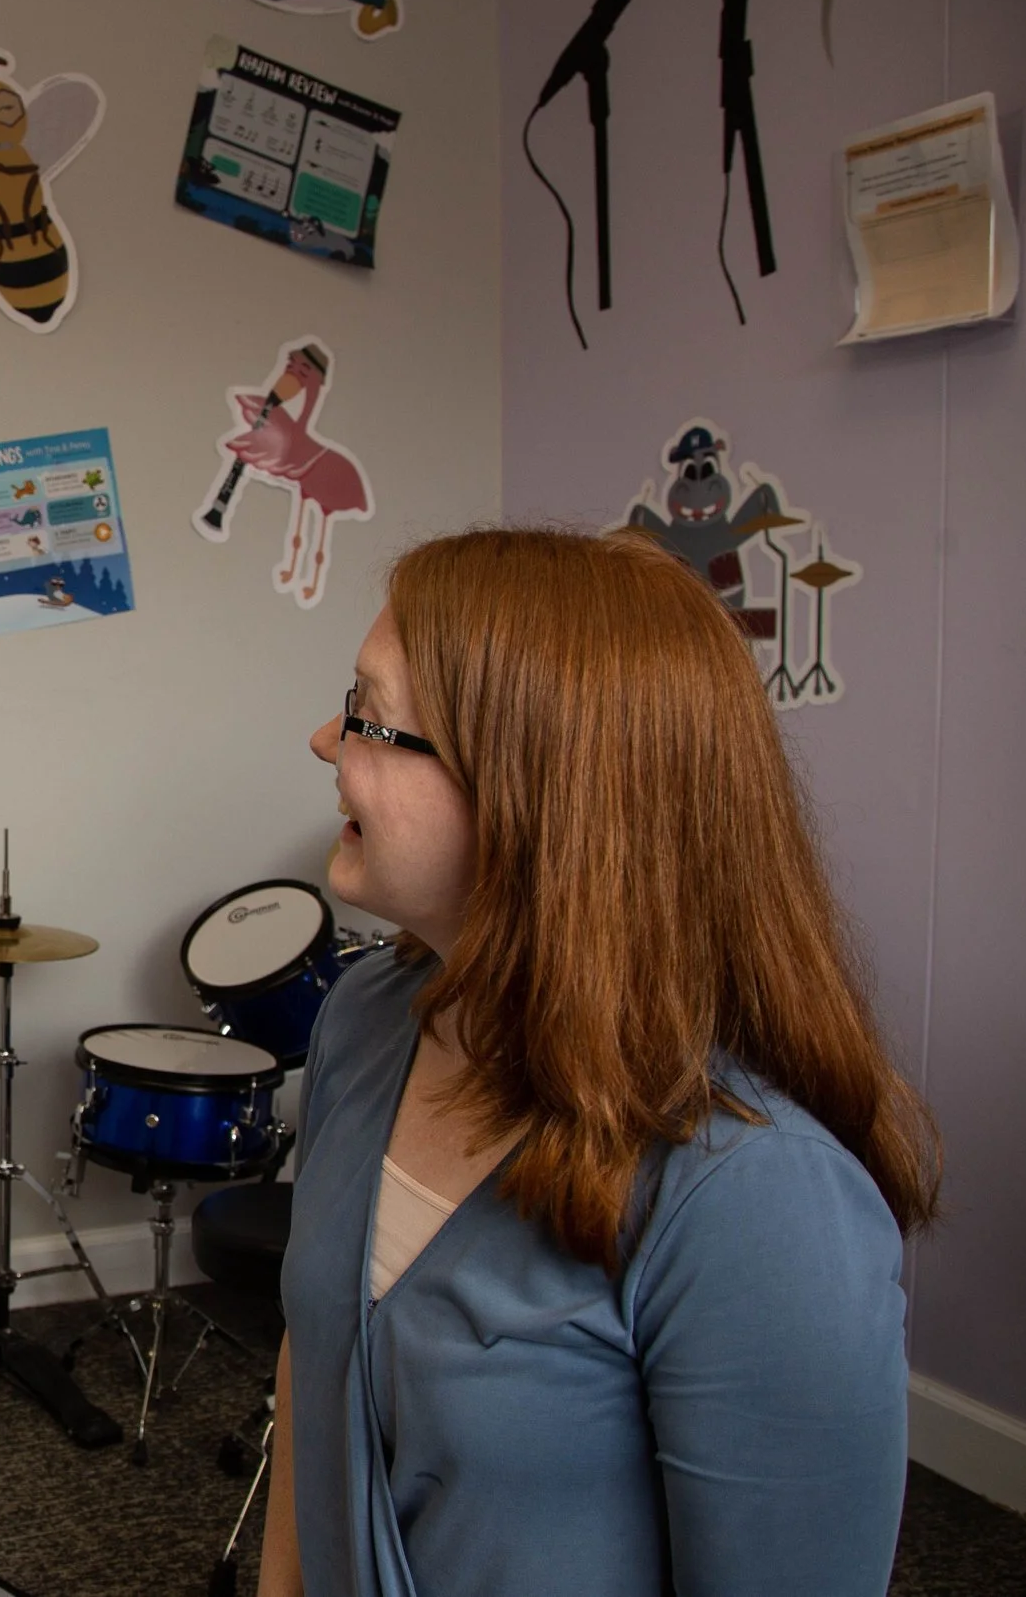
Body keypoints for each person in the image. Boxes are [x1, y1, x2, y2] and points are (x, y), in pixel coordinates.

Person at [256, 527, 940, 1597]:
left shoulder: (759, 1201)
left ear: (537, 785)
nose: (319, 738)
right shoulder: (364, 1019)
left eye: (366, 711)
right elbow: (318, 1349)